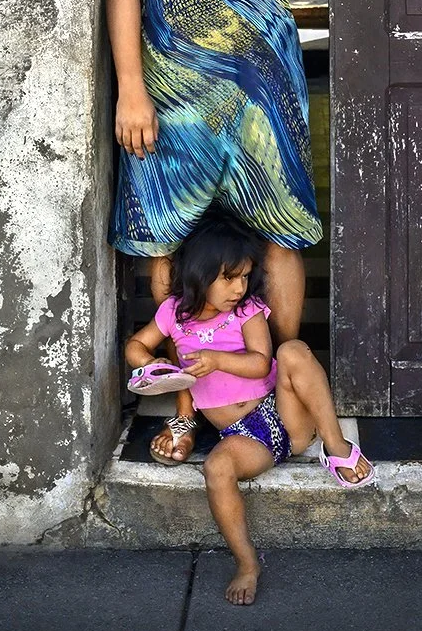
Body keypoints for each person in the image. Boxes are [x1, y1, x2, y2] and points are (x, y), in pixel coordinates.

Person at [107, 0, 352, 464]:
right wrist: (129, 88)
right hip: (175, 86)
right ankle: (184, 400)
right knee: (165, 231)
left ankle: (277, 381)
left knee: (282, 230)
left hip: (265, 89)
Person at [124, 209, 375, 606]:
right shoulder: (173, 313)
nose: (239, 287)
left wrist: (217, 360)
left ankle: (337, 446)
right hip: (244, 438)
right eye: (229, 278)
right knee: (216, 468)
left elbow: (260, 363)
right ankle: (246, 563)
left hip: (282, 415)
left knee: (293, 351)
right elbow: (135, 345)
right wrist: (151, 364)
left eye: (244, 276)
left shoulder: (247, 310)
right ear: (200, 275)